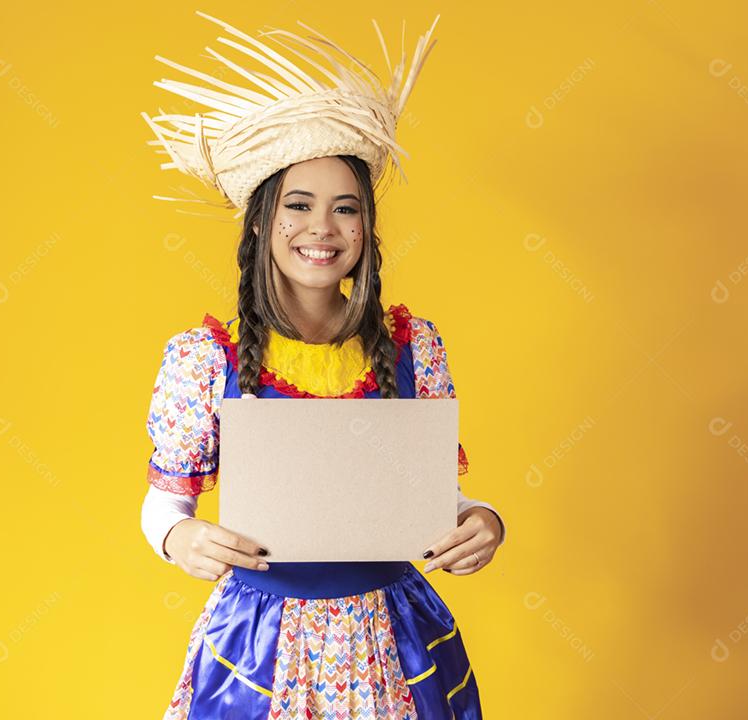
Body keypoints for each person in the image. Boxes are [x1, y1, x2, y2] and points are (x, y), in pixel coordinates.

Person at [139, 12, 506, 719]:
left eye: (346, 209)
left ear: (366, 227)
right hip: (260, 647)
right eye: (299, 206)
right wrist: (177, 536)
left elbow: (428, 502)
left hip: (393, 640)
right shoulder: (204, 359)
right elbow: (166, 503)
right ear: (259, 220)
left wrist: (484, 519)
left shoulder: (411, 348)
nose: (323, 229)